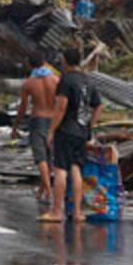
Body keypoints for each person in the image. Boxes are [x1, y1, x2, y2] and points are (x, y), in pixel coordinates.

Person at [43, 47, 102, 224]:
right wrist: (89, 126)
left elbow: (61, 107)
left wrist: (51, 130)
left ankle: (56, 212)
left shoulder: (66, 80)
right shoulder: (88, 80)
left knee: (61, 169)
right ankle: (76, 212)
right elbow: (98, 105)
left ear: (65, 61)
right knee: (76, 169)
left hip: (66, 130)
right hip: (82, 132)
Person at [15, 62, 60, 206]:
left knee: (40, 157)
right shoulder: (56, 80)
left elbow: (23, 106)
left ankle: (48, 190)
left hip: (38, 119)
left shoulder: (29, 82)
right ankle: (42, 189)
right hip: (54, 120)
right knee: (49, 156)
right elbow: (62, 103)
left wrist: (16, 125)